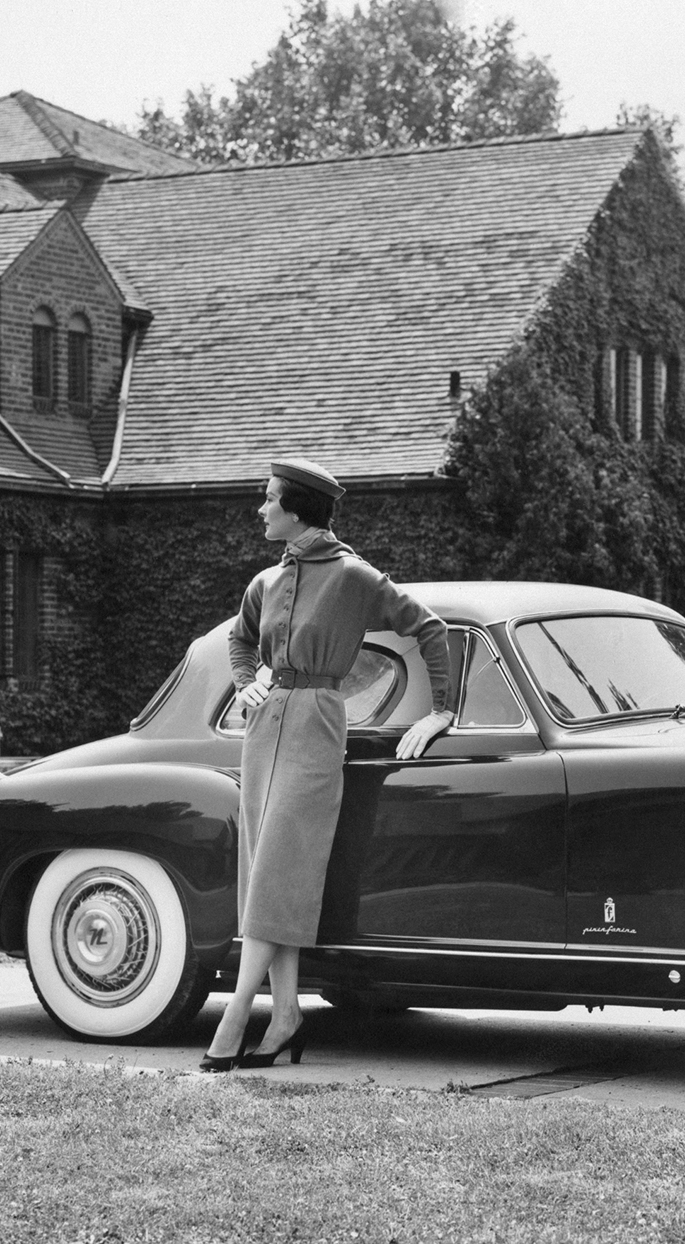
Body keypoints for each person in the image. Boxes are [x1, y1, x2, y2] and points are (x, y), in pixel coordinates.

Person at [200, 456, 453, 1072]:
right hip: (262, 728)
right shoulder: (264, 580)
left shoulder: (355, 577)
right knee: (266, 870)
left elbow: (431, 628)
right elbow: (239, 638)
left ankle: (239, 1015)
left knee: (279, 868)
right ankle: (284, 1020)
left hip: (316, 721)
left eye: (267, 499)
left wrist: (439, 711)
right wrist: (244, 684)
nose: (260, 509)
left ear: (295, 509)